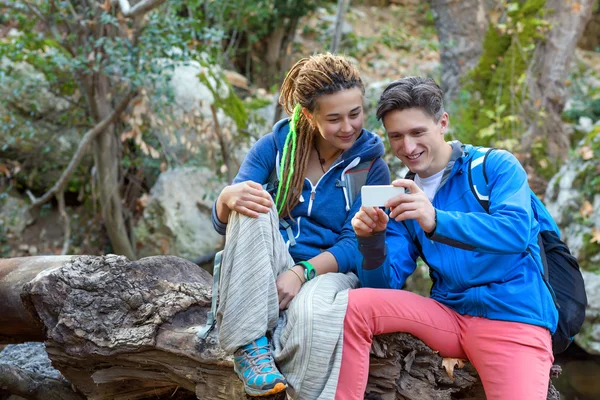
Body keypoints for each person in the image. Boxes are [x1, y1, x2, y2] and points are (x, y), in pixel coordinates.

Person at [335, 77, 558, 400]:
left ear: (442, 123)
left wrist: (436, 220)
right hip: (448, 315)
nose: (407, 148)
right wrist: (371, 242)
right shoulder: (401, 195)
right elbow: (383, 287)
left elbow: (515, 232)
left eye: (417, 132)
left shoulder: (494, 166)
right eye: (396, 136)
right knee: (355, 305)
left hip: (511, 317)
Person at [211, 53, 390, 397]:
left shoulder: (372, 168)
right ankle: (249, 346)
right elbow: (230, 225)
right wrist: (225, 199)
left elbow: (355, 245)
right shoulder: (275, 147)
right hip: (265, 262)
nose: (349, 126)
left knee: (312, 316)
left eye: (355, 114)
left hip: (327, 272)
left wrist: (301, 272)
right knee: (253, 200)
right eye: (334, 118)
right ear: (308, 115)